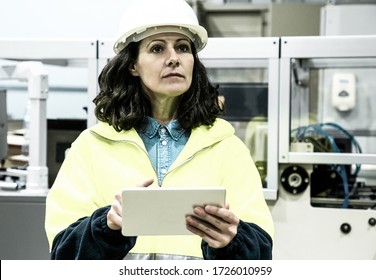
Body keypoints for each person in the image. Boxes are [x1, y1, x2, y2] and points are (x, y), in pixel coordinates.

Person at [45, 0, 274, 260]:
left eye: (183, 48)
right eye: (157, 48)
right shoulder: (90, 147)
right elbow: (63, 253)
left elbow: (261, 252)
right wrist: (107, 227)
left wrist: (231, 241)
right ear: (133, 65)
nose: (174, 58)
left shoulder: (228, 148)